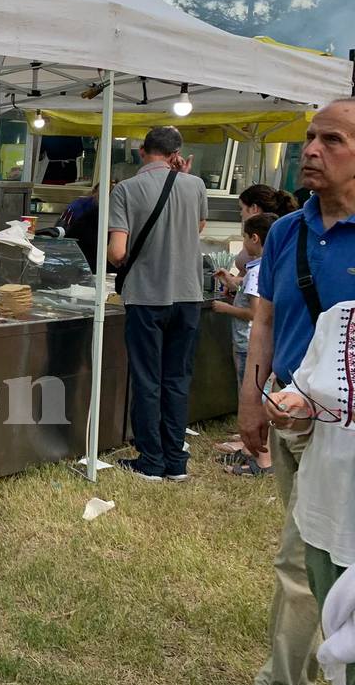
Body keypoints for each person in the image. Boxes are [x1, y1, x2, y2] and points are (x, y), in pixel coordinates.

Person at [241, 100, 355, 685]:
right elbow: (264, 321)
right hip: (290, 418)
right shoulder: (286, 231)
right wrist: (252, 398)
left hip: (350, 432)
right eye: (310, 138)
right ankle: (285, 683)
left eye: (331, 140)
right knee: (301, 558)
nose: (311, 150)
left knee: (331, 559)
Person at [107, 126, 207, 481]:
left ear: (141, 150)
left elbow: (117, 252)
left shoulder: (126, 190)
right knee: (177, 378)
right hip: (189, 295)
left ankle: (151, 460)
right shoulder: (195, 186)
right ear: (177, 153)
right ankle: (176, 461)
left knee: (148, 379)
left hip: (147, 297)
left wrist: (125, 256)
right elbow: (195, 230)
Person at [272, 301, 355, 685]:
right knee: (340, 648)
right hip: (325, 516)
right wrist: (293, 408)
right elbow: (306, 390)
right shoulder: (337, 317)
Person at [211, 212, 276, 476]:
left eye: (243, 238)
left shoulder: (258, 272)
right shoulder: (261, 268)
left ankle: (257, 457)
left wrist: (225, 308)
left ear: (254, 238)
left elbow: (255, 313)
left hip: (248, 342)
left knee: (251, 397)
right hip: (247, 341)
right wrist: (231, 282)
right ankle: (251, 451)